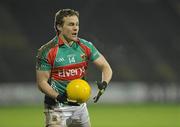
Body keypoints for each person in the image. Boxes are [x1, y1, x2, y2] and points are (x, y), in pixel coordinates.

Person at [36, 8, 112, 127]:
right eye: (71, 24)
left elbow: (105, 67)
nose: (75, 28)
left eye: (77, 24)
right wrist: (59, 97)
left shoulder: (85, 46)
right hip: (56, 107)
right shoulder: (47, 51)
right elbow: (42, 83)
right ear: (59, 27)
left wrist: (104, 83)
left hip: (80, 107)